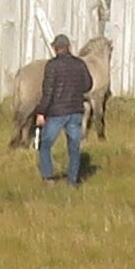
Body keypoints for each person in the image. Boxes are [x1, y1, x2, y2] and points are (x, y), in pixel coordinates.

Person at [34, 32, 96, 186]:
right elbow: (88, 84)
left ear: (55, 48)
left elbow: (48, 92)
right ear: (69, 47)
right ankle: (72, 181)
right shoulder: (80, 64)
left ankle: (48, 178)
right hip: (76, 111)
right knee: (74, 147)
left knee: (45, 145)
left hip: (56, 113)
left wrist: (41, 112)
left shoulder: (52, 66)